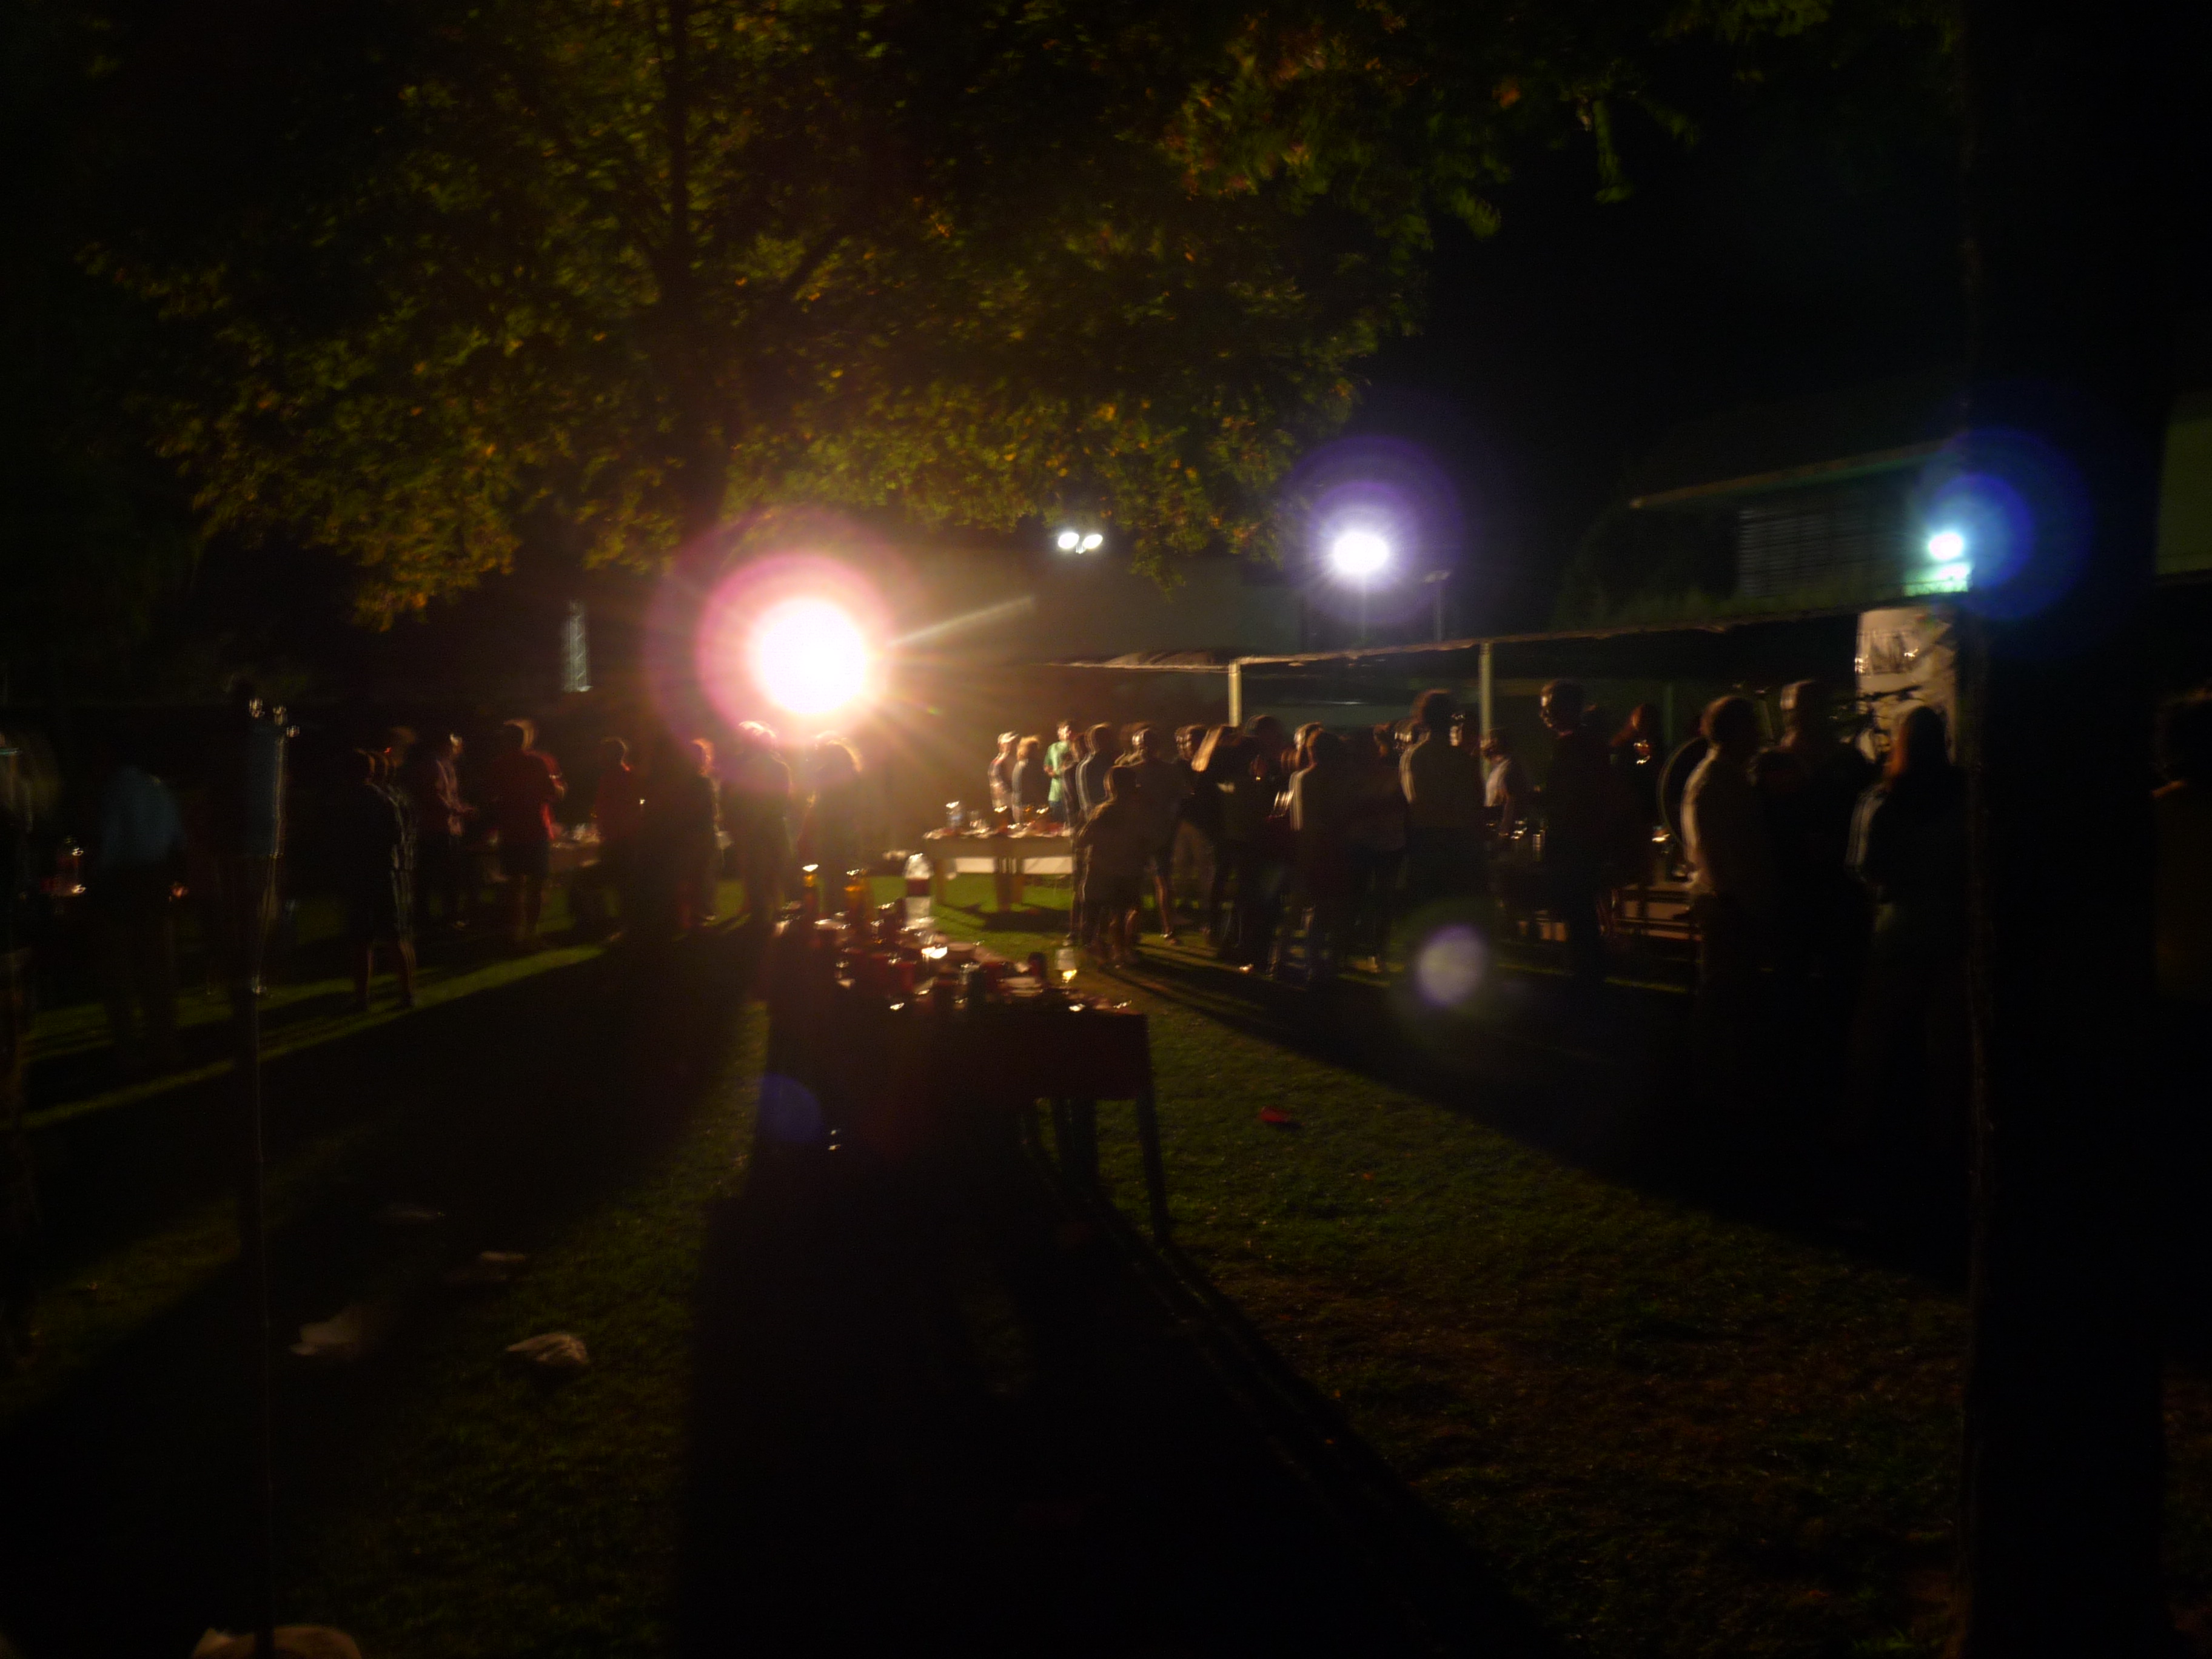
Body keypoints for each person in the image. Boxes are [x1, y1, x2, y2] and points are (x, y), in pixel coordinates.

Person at [1846, 703, 1968, 1182]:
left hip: (1898, 927)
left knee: (1875, 1033)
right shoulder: (1964, 795)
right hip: (1951, 927)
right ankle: (1946, 1133)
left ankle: (1859, 1124)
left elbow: (1862, 867)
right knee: (1946, 1039)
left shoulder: (1882, 798)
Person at [1682, 695, 1774, 1098]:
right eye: (1752, 726)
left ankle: (1723, 1072)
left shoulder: (1726, 775)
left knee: (1729, 993)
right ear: (1735, 731)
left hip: (1732, 902)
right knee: (1723, 993)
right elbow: (1713, 850)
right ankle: (1714, 1076)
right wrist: (1733, 900)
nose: (1759, 734)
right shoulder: (1714, 781)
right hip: (1727, 906)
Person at [93, 732, 185, 1074]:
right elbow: (178, 839)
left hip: (120, 885)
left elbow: (108, 843)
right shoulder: (160, 789)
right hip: (155, 882)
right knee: (159, 971)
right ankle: (165, 1046)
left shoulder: (112, 791)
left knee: (119, 975)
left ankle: (129, 1051)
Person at [1538, 681, 1613, 990]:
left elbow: (1566, 800)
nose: (1544, 715)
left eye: (1549, 708)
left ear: (1567, 708)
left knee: (1578, 912)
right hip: (1588, 840)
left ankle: (1586, 979)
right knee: (1582, 912)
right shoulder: (1591, 744)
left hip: (1573, 842)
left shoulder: (1571, 746)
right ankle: (1590, 974)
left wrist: (1538, 799)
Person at [333, 748, 417, 1011]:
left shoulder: (346, 801)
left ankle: (362, 997)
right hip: (383, 872)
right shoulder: (383, 799)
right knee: (394, 935)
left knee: (362, 939)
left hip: (362, 875)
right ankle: (406, 993)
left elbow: (338, 841)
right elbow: (397, 835)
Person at [483, 718, 565, 950]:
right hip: (535, 828)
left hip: (511, 829)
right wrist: (560, 788)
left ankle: (514, 933)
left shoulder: (498, 765)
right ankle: (531, 933)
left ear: (506, 741)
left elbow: (489, 796)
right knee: (536, 886)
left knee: (514, 885)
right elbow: (552, 793)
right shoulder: (536, 762)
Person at [1400, 689, 1483, 910]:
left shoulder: (1413, 755)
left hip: (1425, 840)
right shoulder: (1461, 758)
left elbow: (1414, 801)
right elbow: (1474, 801)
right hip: (1458, 840)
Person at [1286, 729, 1355, 981]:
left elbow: (1298, 819)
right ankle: (1328, 959)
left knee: (1310, 906)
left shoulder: (1300, 778)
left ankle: (1309, 959)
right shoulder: (1336, 780)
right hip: (1331, 847)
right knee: (1332, 906)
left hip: (1307, 847)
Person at [1073, 765, 1150, 966]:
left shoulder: (1104, 811)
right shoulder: (1139, 810)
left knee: (1099, 913)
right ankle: (1122, 950)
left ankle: (1105, 950)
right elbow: (1145, 840)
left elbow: (1083, 839)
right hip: (1128, 869)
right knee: (1123, 911)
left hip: (1103, 869)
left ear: (1110, 785)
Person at [1116, 725, 1186, 945]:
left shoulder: (1138, 770)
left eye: (1145, 745)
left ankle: (1159, 929)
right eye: (1141, 745)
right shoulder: (1133, 770)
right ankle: (1152, 930)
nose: (1144, 749)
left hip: (1151, 834)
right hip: (1146, 834)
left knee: (1157, 883)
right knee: (1153, 883)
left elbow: (1180, 799)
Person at [1346, 725, 1408, 972]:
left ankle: (1374, 950)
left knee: (1379, 898)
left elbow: (1401, 806)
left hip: (1383, 843)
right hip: (1370, 843)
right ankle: (1367, 949)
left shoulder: (1390, 775)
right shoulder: (1356, 778)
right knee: (1365, 898)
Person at [723, 723, 793, 927]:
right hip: (774, 824)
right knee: (774, 869)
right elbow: (784, 799)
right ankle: (776, 907)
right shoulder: (780, 767)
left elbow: (738, 796)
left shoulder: (750, 767)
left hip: (755, 825)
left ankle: (759, 912)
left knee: (755, 870)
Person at [401, 732, 472, 933]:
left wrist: (461, 808)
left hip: (443, 828)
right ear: (444, 745)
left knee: (435, 877)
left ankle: (429, 918)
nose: (457, 748)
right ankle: (441, 919)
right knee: (443, 877)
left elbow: (446, 795)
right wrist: (457, 811)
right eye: (453, 744)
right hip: (437, 828)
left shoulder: (444, 765)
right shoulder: (434, 765)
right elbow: (433, 794)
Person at [589, 737, 645, 934]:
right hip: (626, 836)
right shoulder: (629, 775)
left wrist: (604, 826)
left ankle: (622, 925)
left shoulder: (613, 778)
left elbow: (609, 807)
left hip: (619, 837)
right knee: (623, 882)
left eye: (602, 753)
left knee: (620, 882)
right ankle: (625, 922)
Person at [797, 737, 867, 882]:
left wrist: (807, 829)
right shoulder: (853, 775)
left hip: (828, 828)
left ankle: (833, 895)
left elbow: (818, 803)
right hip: (848, 827)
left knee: (830, 871)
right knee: (849, 870)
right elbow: (858, 804)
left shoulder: (823, 773)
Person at [1170, 725, 1218, 927]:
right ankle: (1184, 904)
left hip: (1202, 822)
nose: (1189, 745)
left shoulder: (1210, 763)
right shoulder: (1180, 765)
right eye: (1188, 741)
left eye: (1193, 741)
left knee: (1204, 866)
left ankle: (1206, 905)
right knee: (1182, 866)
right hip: (1184, 822)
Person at [1480, 729, 1533, 843]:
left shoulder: (1509, 767)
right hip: (1499, 829)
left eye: (1486, 740)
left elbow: (1512, 801)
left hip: (1507, 833)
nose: (1482, 744)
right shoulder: (1500, 768)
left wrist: (1504, 833)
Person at [1074, 722, 1118, 825]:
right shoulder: (1092, 766)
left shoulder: (1085, 765)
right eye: (1104, 739)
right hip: (1103, 822)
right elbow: (1096, 800)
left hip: (1097, 821)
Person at [1011, 735, 1055, 818]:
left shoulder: (1018, 765)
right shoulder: (1034, 765)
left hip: (1018, 807)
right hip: (1033, 807)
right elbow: (1040, 786)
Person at [1045, 721, 1079, 825]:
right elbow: (1047, 767)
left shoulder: (1081, 746)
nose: (1069, 733)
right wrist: (1054, 772)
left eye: (1071, 730)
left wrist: (1059, 771)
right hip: (1057, 796)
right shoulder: (1053, 748)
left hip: (1076, 797)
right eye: (1066, 730)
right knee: (1058, 827)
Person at [987, 732, 1018, 822]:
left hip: (1017, 805)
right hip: (1006, 805)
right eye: (1008, 743)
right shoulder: (998, 763)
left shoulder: (1017, 760)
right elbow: (1002, 784)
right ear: (1001, 745)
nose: (1011, 746)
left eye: (1013, 743)